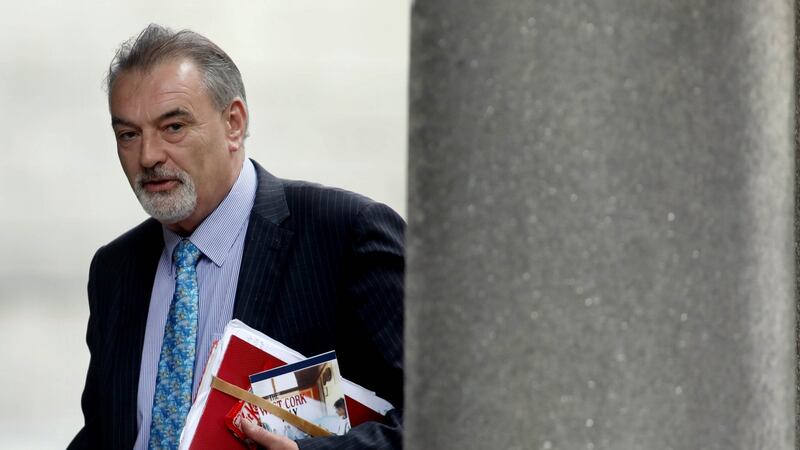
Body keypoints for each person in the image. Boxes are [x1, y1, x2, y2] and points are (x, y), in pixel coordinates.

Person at [68, 24, 404, 450]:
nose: (148, 156)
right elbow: (105, 435)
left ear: (233, 123)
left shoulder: (345, 236)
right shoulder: (116, 269)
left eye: (173, 127)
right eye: (128, 135)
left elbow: (448, 417)